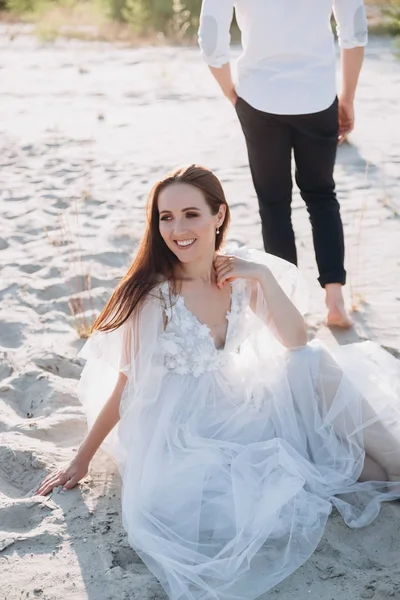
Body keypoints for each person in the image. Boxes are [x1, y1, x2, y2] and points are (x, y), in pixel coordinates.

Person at [36, 165, 400, 600]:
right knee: (357, 475)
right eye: (165, 218)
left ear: (219, 215)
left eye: (190, 214)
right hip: (187, 428)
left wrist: (260, 276)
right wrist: (81, 460)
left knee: (320, 370)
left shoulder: (239, 273)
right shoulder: (153, 294)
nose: (177, 229)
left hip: (244, 399)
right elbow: (127, 386)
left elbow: (296, 339)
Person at [198, 0, 368, 329]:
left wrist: (231, 93)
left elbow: (211, 36)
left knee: (274, 203)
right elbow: (354, 30)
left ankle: (288, 302)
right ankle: (334, 299)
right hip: (317, 96)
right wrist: (346, 99)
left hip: (258, 96)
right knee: (321, 195)